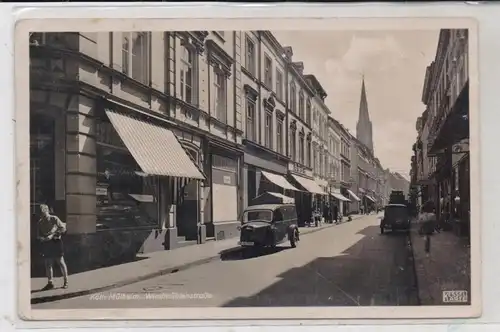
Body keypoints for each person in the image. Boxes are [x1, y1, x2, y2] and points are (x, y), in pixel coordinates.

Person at [37, 204, 69, 290]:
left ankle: (66, 281)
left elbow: (63, 228)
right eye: (41, 214)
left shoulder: (54, 219)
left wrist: (53, 235)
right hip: (47, 244)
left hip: (56, 242)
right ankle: (50, 282)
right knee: (48, 264)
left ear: (47, 211)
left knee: (60, 262)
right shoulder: (40, 222)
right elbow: (38, 235)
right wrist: (42, 238)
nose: (43, 216)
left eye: (44, 213)